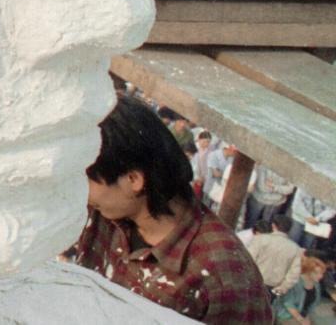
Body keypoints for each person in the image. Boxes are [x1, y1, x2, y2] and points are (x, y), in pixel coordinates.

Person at [65, 95, 271, 323]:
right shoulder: (104, 215)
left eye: (87, 180)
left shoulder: (226, 278)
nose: (80, 191)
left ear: (133, 179)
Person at [245, 215, 304, 298]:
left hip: (253, 282)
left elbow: (248, 260)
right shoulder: (296, 249)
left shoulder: (260, 239)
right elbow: (294, 274)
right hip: (274, 288)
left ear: (273, 225)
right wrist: (280, 290)